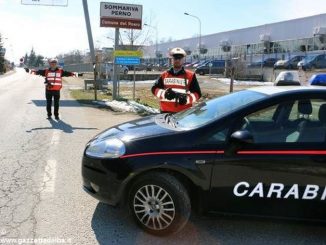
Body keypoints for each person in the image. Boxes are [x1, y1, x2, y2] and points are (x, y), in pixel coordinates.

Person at [151, 47, 201, 113]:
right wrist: (164, 94)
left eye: (180, 58)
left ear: (183, 59)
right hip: (165, 112)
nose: (177, 60)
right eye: (175, 58)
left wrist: (187, 99)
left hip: (183, 114)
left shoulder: (191, 75)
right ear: (171, 59)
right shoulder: (164, 75)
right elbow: (154, 89)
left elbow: (197, 93)